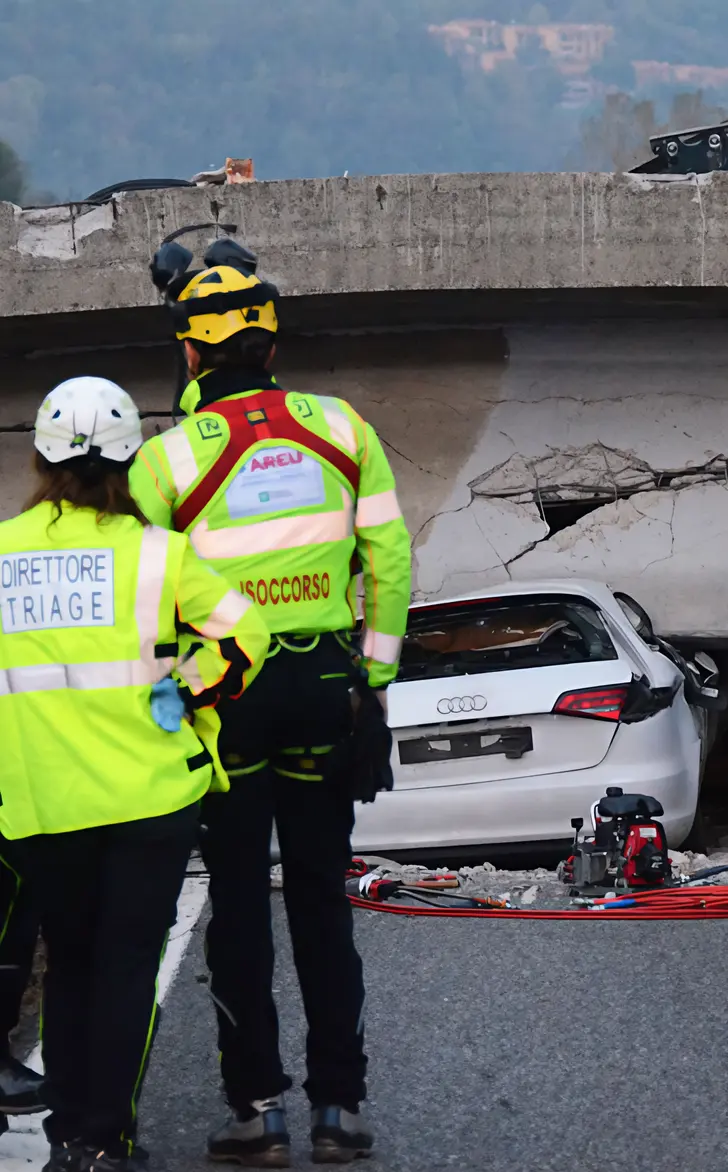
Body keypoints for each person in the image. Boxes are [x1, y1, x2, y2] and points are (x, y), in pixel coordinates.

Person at [130, 239, 412, 1166]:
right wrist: (372, 680)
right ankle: (342, 1108)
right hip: (328, 688)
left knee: (240, 908)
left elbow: (148, 595)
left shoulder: (166, 460)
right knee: (323, 904)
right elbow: (391, 560)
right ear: (274, 345)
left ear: (190, 353)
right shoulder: (341, 426)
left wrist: (168, 696)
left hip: (227, 701)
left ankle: (257, 1113)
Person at [0, 376, 270, 1172]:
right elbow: (245, 636)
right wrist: (186, 688)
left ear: (41, 455)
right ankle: (101, 1143)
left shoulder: (2, 554)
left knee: (70, 965)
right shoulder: (161, 552)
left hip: (44, 799)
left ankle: (64, 1144)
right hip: (153, 797)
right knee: (124, 973)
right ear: (127, 460)